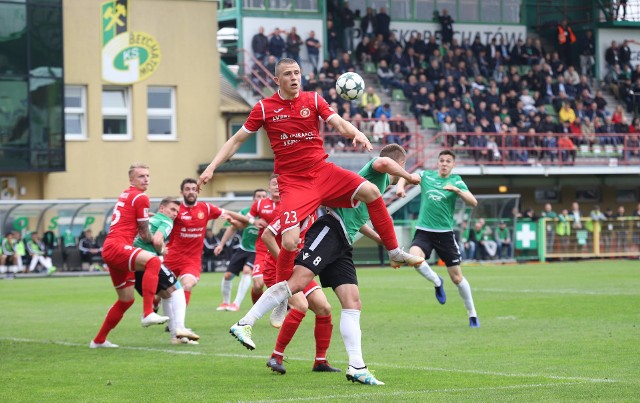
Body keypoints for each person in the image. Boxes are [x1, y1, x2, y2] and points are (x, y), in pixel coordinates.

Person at [198, 58, 424, 297]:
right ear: (277, 80)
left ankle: (394, 251)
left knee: (371, 191)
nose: (294, 78)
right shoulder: (264, 108)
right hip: (294, 182)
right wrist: (212, 167)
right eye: (288, 74)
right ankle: (282, 297)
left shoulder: (313, 99)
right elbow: (236, 141)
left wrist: (356, 132)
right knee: (288, 242)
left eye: (297, 73)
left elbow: (337, 122)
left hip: (322, 172)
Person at [228, 144, 420, 385]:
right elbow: (381, 162)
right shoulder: (376, 172)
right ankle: (245, 322)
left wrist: (382, 240)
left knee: (353, 302)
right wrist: (410, 177)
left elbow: (358, 222)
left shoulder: (379, 187)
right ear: (400, 164)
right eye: (402, 168)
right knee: (297, 283)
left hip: (344, 242)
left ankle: (357, 366)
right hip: (330, 229)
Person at [396, 150, 480, 327]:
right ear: (438, 163)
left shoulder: (456, 181)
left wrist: (457, 190)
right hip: (424, 231)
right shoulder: (426, 175)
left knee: (457, 278)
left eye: (448, 161)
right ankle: (436, 280)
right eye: (441, 160)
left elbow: (473, 202)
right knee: (414, 257)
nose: (444, 163)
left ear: (453, 165)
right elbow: (406, 176)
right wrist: (400, 187)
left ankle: (472, 314)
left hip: (445, 234)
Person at [90, 163, 170, 349]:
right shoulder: (141, 197)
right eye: (141, 176)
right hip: (118, 247)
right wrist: (155, 244)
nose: (146, 179)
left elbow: (132, 215)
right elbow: (144, 233)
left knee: (126, 300)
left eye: (148, 176)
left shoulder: (126, 194)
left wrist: (145, 215)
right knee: (153, 261)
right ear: (131, 179)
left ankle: (99, 340)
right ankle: (148, 312)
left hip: (111, 249)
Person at [262, 213, 340, 375]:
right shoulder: (291, 213)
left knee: (324, 308)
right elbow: (266, 236)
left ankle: (320, 361)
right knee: (300, 305)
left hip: (297, 270)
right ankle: (276, 357)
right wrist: (285, 260)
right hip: (276, 270)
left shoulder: (313, 217)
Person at [163, 178, 246, 307]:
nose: (191, 192)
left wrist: (249, 221)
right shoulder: (176, 209)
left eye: (194, 189)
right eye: (187, 189)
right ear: (182, 192)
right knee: (162, 292)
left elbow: (228, 213)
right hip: (171, 256)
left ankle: (177, 322)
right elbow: (160, 221)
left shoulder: (205, 208)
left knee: (187, 285)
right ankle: (156, 308)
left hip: (192, 259)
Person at [131, 197, 200, 345]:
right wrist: (162, 250)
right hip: (147, 260)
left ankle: (176, 336)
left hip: (134, 261)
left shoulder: (153, 219)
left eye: (177, 211)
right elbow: (157, 240)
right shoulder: (166, 221)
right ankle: (180, 328)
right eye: (172, 209)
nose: (175, 214)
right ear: (162, 208)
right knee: (178, 289)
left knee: (166, 294)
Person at [215, 188, 268, 312]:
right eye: (258, 196)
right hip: (243, 249)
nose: (260, 199)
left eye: (263, 196)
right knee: (228, 275)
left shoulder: (268, 213)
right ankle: (225, 303)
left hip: (258, 251)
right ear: (253, 199)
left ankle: (236, 304)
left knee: (246, 271)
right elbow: (233, 228)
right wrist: (221, 244)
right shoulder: (245, 212)